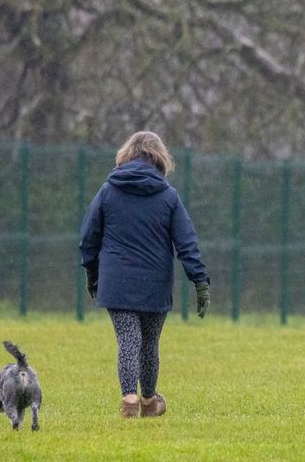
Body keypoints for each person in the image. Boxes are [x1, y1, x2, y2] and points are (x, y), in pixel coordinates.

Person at [79, 131, 210, 419]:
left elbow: (89, 238)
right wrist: (200, 283)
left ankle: (129, 400)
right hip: (155, 282)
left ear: (126, 155)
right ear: (160, 158)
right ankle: (149, 402)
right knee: (149, 343)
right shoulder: (168, 196)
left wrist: (92, 274)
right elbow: (186, 243)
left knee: (127, 339)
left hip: (116, 282)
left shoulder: (108, 191)